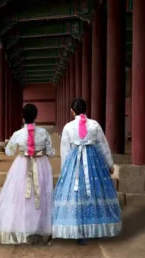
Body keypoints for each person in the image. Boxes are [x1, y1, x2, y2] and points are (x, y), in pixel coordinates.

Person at [52, 98, 121, 244]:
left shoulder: (68, 127)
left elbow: (65, 149)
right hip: (93, 161)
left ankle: (78, 229)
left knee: (77, 193)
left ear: (72, 111)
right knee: (95, 192)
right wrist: (109, 164)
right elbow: (103, 145)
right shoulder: (94, 124)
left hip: (74, 161)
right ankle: (95, 227)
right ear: (86, 110)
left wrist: (65, 169)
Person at [0, 103, 55, 245]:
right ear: (36, 116)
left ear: (23, 117)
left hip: (22, 165)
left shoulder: (18, 134)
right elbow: (50, 152)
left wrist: (22, 148)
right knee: (41, 195)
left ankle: (20, 228)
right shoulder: (44, 133)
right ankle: (40, 229)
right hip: (41, 164)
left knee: (20, 195)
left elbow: (9, 152)